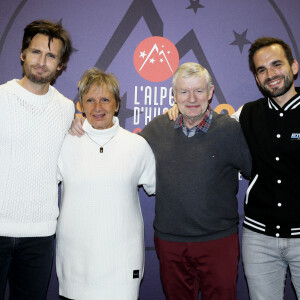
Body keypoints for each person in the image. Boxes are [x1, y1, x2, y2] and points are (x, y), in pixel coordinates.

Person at [69, 62, 252, 300]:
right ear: (173, 95)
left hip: (218, 241)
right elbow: (118, 148)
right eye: (184, 91)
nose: (192, 98)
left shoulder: (230, 130)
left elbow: (256, 172)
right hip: (170, 242)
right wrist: (81, 124)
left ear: (210, 92)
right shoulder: (157, 128)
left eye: (198, 90)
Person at [56, 68, 156, 300]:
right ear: (80, 104)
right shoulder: (65, 142)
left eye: (105, 100)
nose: (97, 107)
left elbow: (161, 188)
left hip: (122, 263)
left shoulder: (137, 146)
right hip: (76, 262)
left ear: (117, 104)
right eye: (90, 100)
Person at [0, 20, 74, 299]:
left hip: (40, 235)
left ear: (60, 65)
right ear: (22, 54)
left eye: (51, 55)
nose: (42, 62)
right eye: (36, 52)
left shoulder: (67, 109)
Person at [232, 37, 300, 300]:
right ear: (256, 79)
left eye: (276, 64)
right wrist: (178, 112)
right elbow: (208, 127)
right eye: (261, 70)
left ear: (293, 66)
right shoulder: (246, 114)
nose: (270, 74)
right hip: (258, 239)